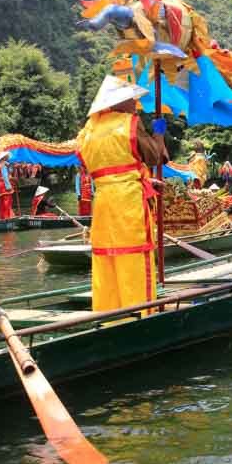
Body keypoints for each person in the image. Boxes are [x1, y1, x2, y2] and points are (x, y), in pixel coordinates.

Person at [76, 75, 167, 312]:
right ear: (120, 102)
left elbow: (110, 169)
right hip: (129, 202)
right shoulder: (130, 123)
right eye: (132, 99)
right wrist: (159, 132)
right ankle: (142, 316)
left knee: (107, 261)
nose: (135, 104)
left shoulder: (88, 131)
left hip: (104, 202)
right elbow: (156, 156)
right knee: (135, 259)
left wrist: (147, 179)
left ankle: (109, 317)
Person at [0, 152, 15, 220]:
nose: (7, 158)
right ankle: (7, 217)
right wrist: (11, 178)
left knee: (4, 201)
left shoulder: (1, 165)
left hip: (2, 185)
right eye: (6, 157)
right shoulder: (3, 165)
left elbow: (2, 176)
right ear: (3, 158)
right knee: (7, 201)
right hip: (5, 185)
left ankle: (4, 216)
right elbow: (5, 177)